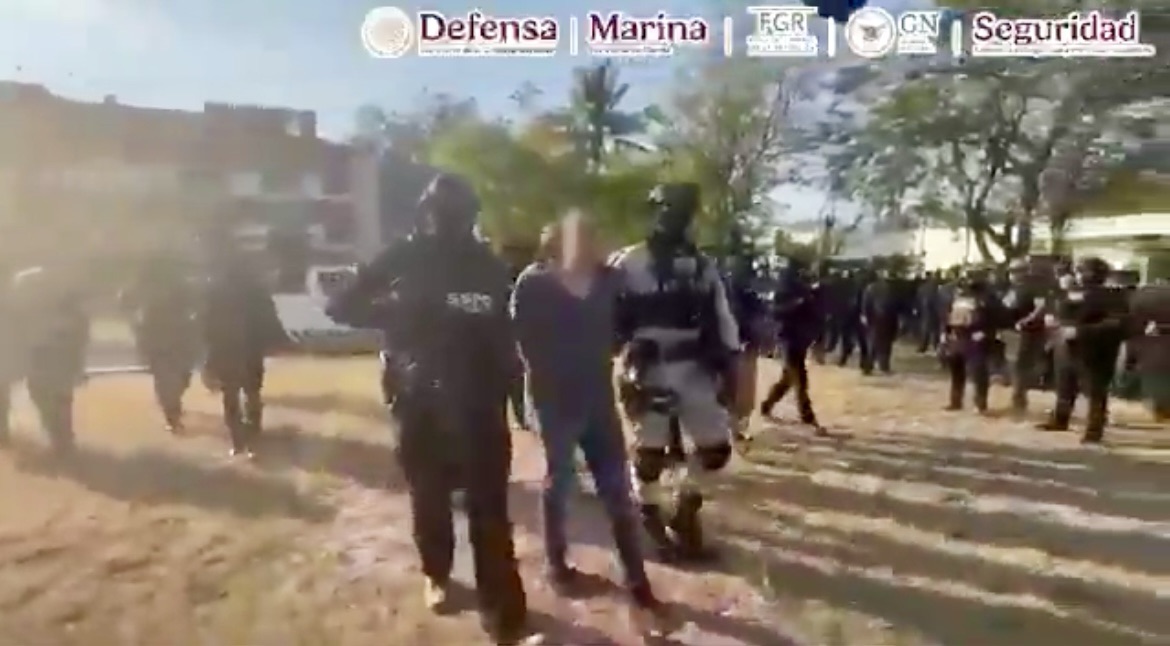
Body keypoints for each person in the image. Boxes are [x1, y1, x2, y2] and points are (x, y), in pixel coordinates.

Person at [326, 174, 530, 645]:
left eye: (458, 214)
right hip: (418, 402)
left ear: (471, 216)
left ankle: (503, 614)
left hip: (480, 405)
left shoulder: (489, 267)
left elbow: (505, 339)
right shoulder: (402, 256)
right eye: (441, 212)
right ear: (426, 213)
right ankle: (436, 573)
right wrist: (394, 313)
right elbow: (340, 307)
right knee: (429, 499)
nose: (449, 221)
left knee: (490, 511)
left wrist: (519, 397)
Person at [511, 213, 677, 635]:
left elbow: (633, 308)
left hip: (599, 401)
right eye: (582, 239)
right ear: (557, 243)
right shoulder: (533, 283)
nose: (591, 246)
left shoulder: (608, 280)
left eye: (592, 238)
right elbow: (524, 345)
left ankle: (636, 581)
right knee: (560, 481)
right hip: (554, 403)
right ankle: (557, 565)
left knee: (617, 491)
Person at [609, 182, 739, 562]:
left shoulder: (703, 266)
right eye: (666, 208)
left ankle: (685, 510)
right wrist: (623, 366)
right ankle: (648, 513)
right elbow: (604, 317)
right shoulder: (628, 263)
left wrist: (730, 365)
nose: (674, 217)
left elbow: (721, 316)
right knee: (649, 454)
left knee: (715, 450)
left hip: (694, 367)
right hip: (646, 370)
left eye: (683, 210)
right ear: (654, 211)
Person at [199, 246, 287, 458]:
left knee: (230, 395)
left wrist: (207, 346)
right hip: (250, 348)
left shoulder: (216, 290)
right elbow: (269, 317)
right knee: (252, 392)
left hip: (225, 349)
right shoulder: (255, 290)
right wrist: (279, 339)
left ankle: (237, 441)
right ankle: (252, 435)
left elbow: (206, 320)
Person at [1037, 256, 1129, 444]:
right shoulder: (1071, 293)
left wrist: (1081, 331)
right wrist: (1054, 319)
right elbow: (1060, 311)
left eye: (1082, 271)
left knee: (1095, 391)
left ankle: (1094, 430)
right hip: (1065, 347)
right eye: (1078, 271)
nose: (1078, 275)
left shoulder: (1112, 296)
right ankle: (1060, 419)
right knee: (1064, 385)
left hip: (1095, 351)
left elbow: (1117, 324)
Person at [0, 263, 90, 454]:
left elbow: (79, 331)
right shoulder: (31, 288)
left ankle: (60, 438)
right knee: (51, 393)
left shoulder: (24, 289)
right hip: (47, 349)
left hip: (48, 349)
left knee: (47, 393)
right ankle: (61, 438)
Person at [121, 255, 199, 434]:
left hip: (177, 333)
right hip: (156, 334)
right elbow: (125, 301)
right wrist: (134, 319)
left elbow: (195, 303)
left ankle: (172, 404)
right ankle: (172, 414)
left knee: (180, 376)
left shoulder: (180, 284)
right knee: (165, 376)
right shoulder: (143, 284)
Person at [760, 256, 824, 432]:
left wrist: (813, 298)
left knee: (788, 379)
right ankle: (807, 415)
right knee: (799, 379)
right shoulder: (782, 291)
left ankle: (767, 405)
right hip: (787, 338)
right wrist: (797, 304)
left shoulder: (804, 289)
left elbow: (814, 314)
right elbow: (775, 312)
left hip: (800, 339)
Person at [940, 269, 1006, 414]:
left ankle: (980, 404)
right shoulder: (957, 295)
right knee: (956, 371)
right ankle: (955, 401)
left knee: (978, 372)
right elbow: (948, 314)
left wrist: (987, 332)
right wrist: (945, 332)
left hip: (976, 338)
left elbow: (999, 317)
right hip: (957, 336)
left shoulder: (989, 297)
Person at [1004, 258, 1050, 415]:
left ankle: (1019, 399)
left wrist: (1027, 321)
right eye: (1012, 271)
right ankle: (1018, 396)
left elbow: (1040, 307)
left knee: (1020, 365)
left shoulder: (1034, 287)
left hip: (1027, 331)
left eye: (1017, 271)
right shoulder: (1012, 288)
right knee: (1013, 364)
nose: (1013, 274)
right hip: (1012, 331)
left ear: (1025, 271)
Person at [861, 268, 898, 374]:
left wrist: (864, 315)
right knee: (886, 343)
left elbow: (866, 303)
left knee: (873, 343)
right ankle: (884, 366)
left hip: (874, 317)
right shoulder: (890, 288)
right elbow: (895, 304)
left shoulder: (870, 288)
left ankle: (868, 367)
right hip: (888, 317)